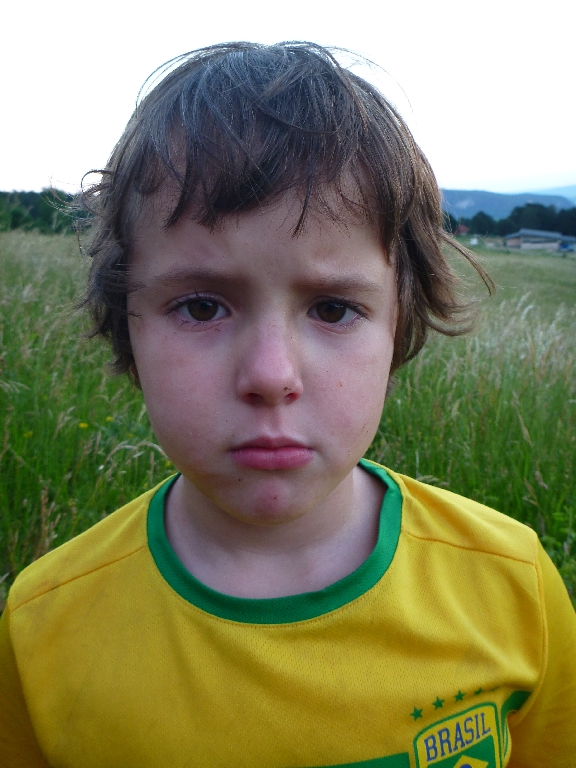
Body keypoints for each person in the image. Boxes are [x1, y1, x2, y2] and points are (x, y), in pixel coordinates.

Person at [0, 42, 574, 768]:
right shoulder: (43, 625)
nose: (271, 375)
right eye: (202, 306)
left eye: (333, 309)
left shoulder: (513, 587)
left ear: (400, 322)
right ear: (128, 324)